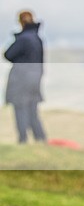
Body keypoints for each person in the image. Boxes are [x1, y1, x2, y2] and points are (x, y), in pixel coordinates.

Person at [4, 10, 47, 144]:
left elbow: (8, 54)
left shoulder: (24, 39)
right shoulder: (37, 39)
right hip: (35, 79)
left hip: (21, 79)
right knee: (32, 110)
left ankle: (23, 140)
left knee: (20, 108)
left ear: (21, 22)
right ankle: (41, 139)